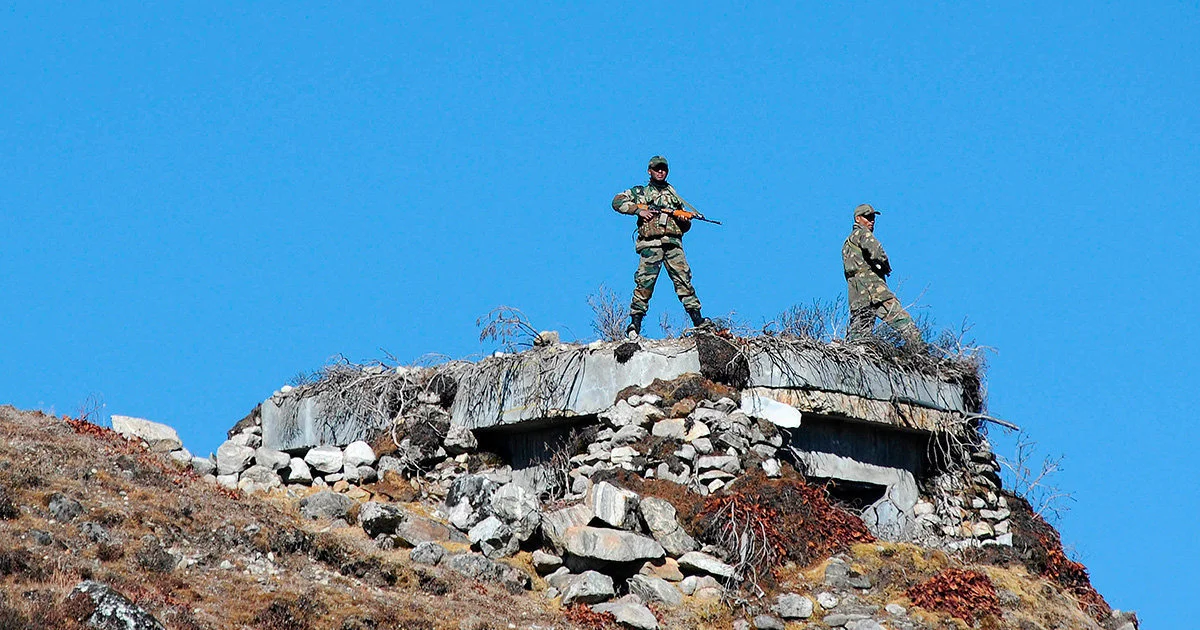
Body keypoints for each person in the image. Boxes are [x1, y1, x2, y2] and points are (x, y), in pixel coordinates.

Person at [612, 156, 709, 338]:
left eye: (663, 169)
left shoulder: (673, 195)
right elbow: (616, 202)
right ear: (650, 171)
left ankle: (698, 321)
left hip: (673, 244)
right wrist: (639, 210)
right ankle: (634, 324)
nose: (660, 172)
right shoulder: (640, 192)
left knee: (684, 281)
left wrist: (683, 220)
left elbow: (685, 226)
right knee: (644, 283)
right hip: (651, 243)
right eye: (657, 169)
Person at [842, 203, 924, 348]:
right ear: (858, 218)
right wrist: (886, 267)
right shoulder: (863, 234)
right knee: (899, 317)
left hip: (856, 293)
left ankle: (854, 358)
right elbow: (877, 252)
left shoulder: (846, 244)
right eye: (867, 217)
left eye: (873, 217)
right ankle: (918, 349)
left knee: (860, 329)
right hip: (873, 287)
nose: (871, 220)